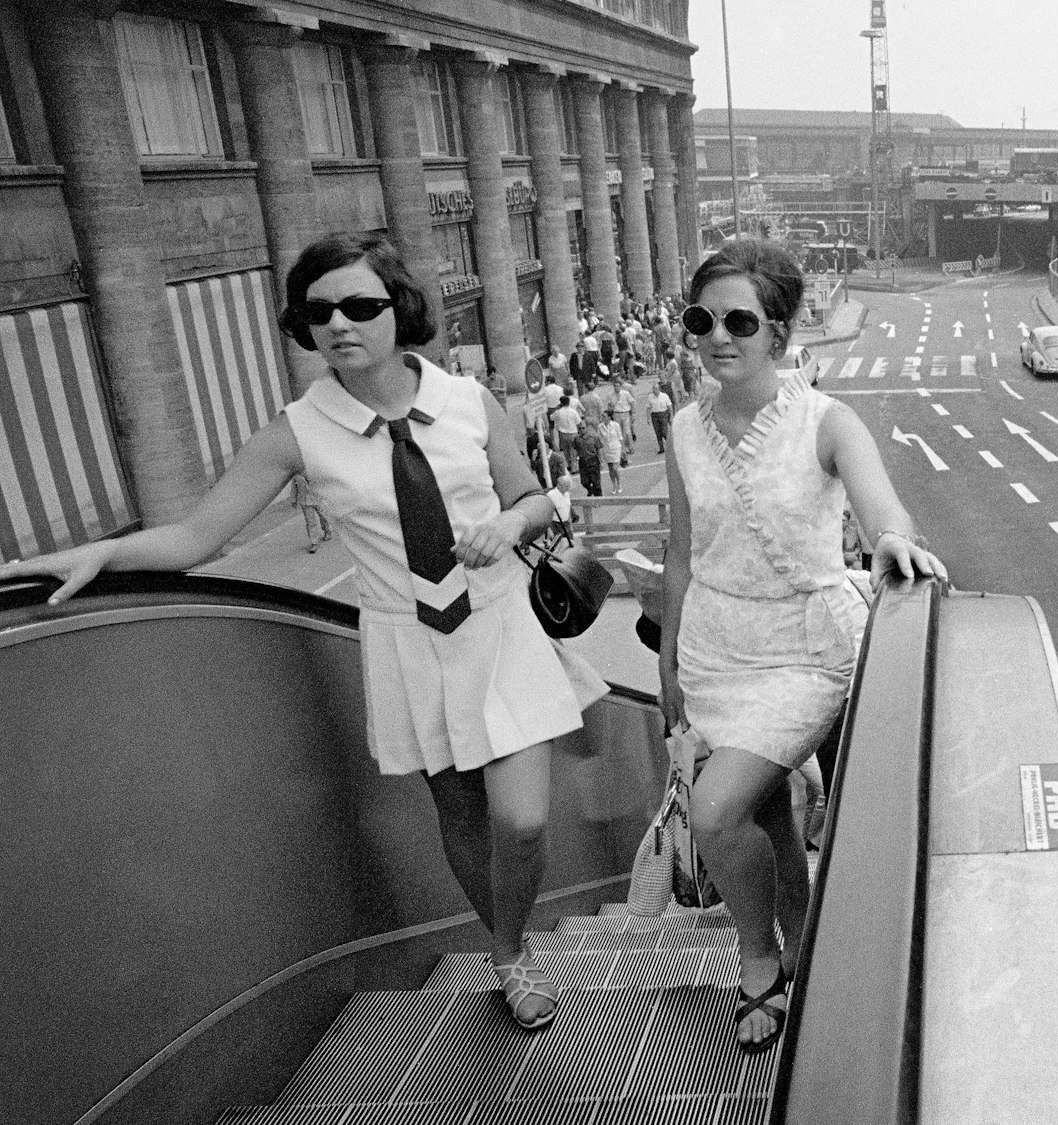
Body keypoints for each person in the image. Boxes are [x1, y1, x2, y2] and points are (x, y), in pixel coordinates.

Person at [0, 231, 606, 1031]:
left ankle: (513, 932)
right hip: (407, 643)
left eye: (361, 305)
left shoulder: (467, 401)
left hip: (499, 627)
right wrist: (96, 550)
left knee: (522, 821)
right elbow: (193, 537)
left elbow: (532, 495)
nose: (340, 325)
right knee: (459, 818)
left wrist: (507, 521)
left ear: (401, 309)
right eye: (320, 311)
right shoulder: (296, 430)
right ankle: (509, 954)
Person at [655, 239, 946, 1054]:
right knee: (767, 813)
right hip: (717, 649)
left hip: (804, 647)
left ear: (779, 330)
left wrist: (891, 540)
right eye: (700, 319)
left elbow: (881, 507)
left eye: (740, 320)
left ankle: (759, 965)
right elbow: (682, 552)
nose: (718, 336)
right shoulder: (683, 427)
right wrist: (669, 660)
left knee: (718, 809)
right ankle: (805, 940)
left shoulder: (827, 421)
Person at [573, 417, 603, 497]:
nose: (581, 430)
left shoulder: (594, 437)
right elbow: (575, 450)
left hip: (593, 460)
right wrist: (574, 461)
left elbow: (599, 449)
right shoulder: (577, 439)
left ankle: (598, 499)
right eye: (580, 428)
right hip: (583, 461)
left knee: (596, 482)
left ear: (587, 427)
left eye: (583, 428)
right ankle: (590, 490)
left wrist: (601, 461)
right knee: (584, 482)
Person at [597, 415, 625, 494]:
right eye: (602, 416)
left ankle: (619, 483)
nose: (602, 417)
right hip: (607, 449)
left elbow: (620, 437)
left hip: (616, 448)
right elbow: (598, 437)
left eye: (604, 416)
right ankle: (614, 485)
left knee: (615, 468)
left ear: (609, 417)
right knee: (610, 469)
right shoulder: (600, 426)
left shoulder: (615, 425)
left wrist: (623, 449)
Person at [551, 394, 582, 458]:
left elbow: (551, 418)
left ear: (561, 403)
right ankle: (574, 465)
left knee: (566, 451)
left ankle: (569, 465)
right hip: (573, 433)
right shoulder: (573, 412)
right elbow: (579, 422)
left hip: (563, 434)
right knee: (574, 452)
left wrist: (557, 408)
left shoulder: (558, 412)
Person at [647, 381, 673, 453]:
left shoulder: (664, 396)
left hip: (663, 414)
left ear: (659, 389)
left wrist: (671, 416)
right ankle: (661, 448)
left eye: (656, 389)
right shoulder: (650, 397)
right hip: (655, 415)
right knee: (658, 432)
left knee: (664, 431)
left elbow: (669, 406)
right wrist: (648, 418)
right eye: (653, 389)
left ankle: (670, 445)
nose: (654, 390)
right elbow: (648, 407)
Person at [612, 379, 636, 449]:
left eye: (618, 386)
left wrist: (633, 413)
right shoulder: (611, 395)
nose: (616, 388)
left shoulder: (626, 394)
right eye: (615, 386)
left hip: (625, 413)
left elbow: (632, 402)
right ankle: (622, 447)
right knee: (618, 431)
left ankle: (630, 447)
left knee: (627, 431)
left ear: (620, 386)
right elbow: (609, 405)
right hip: (616, 414)